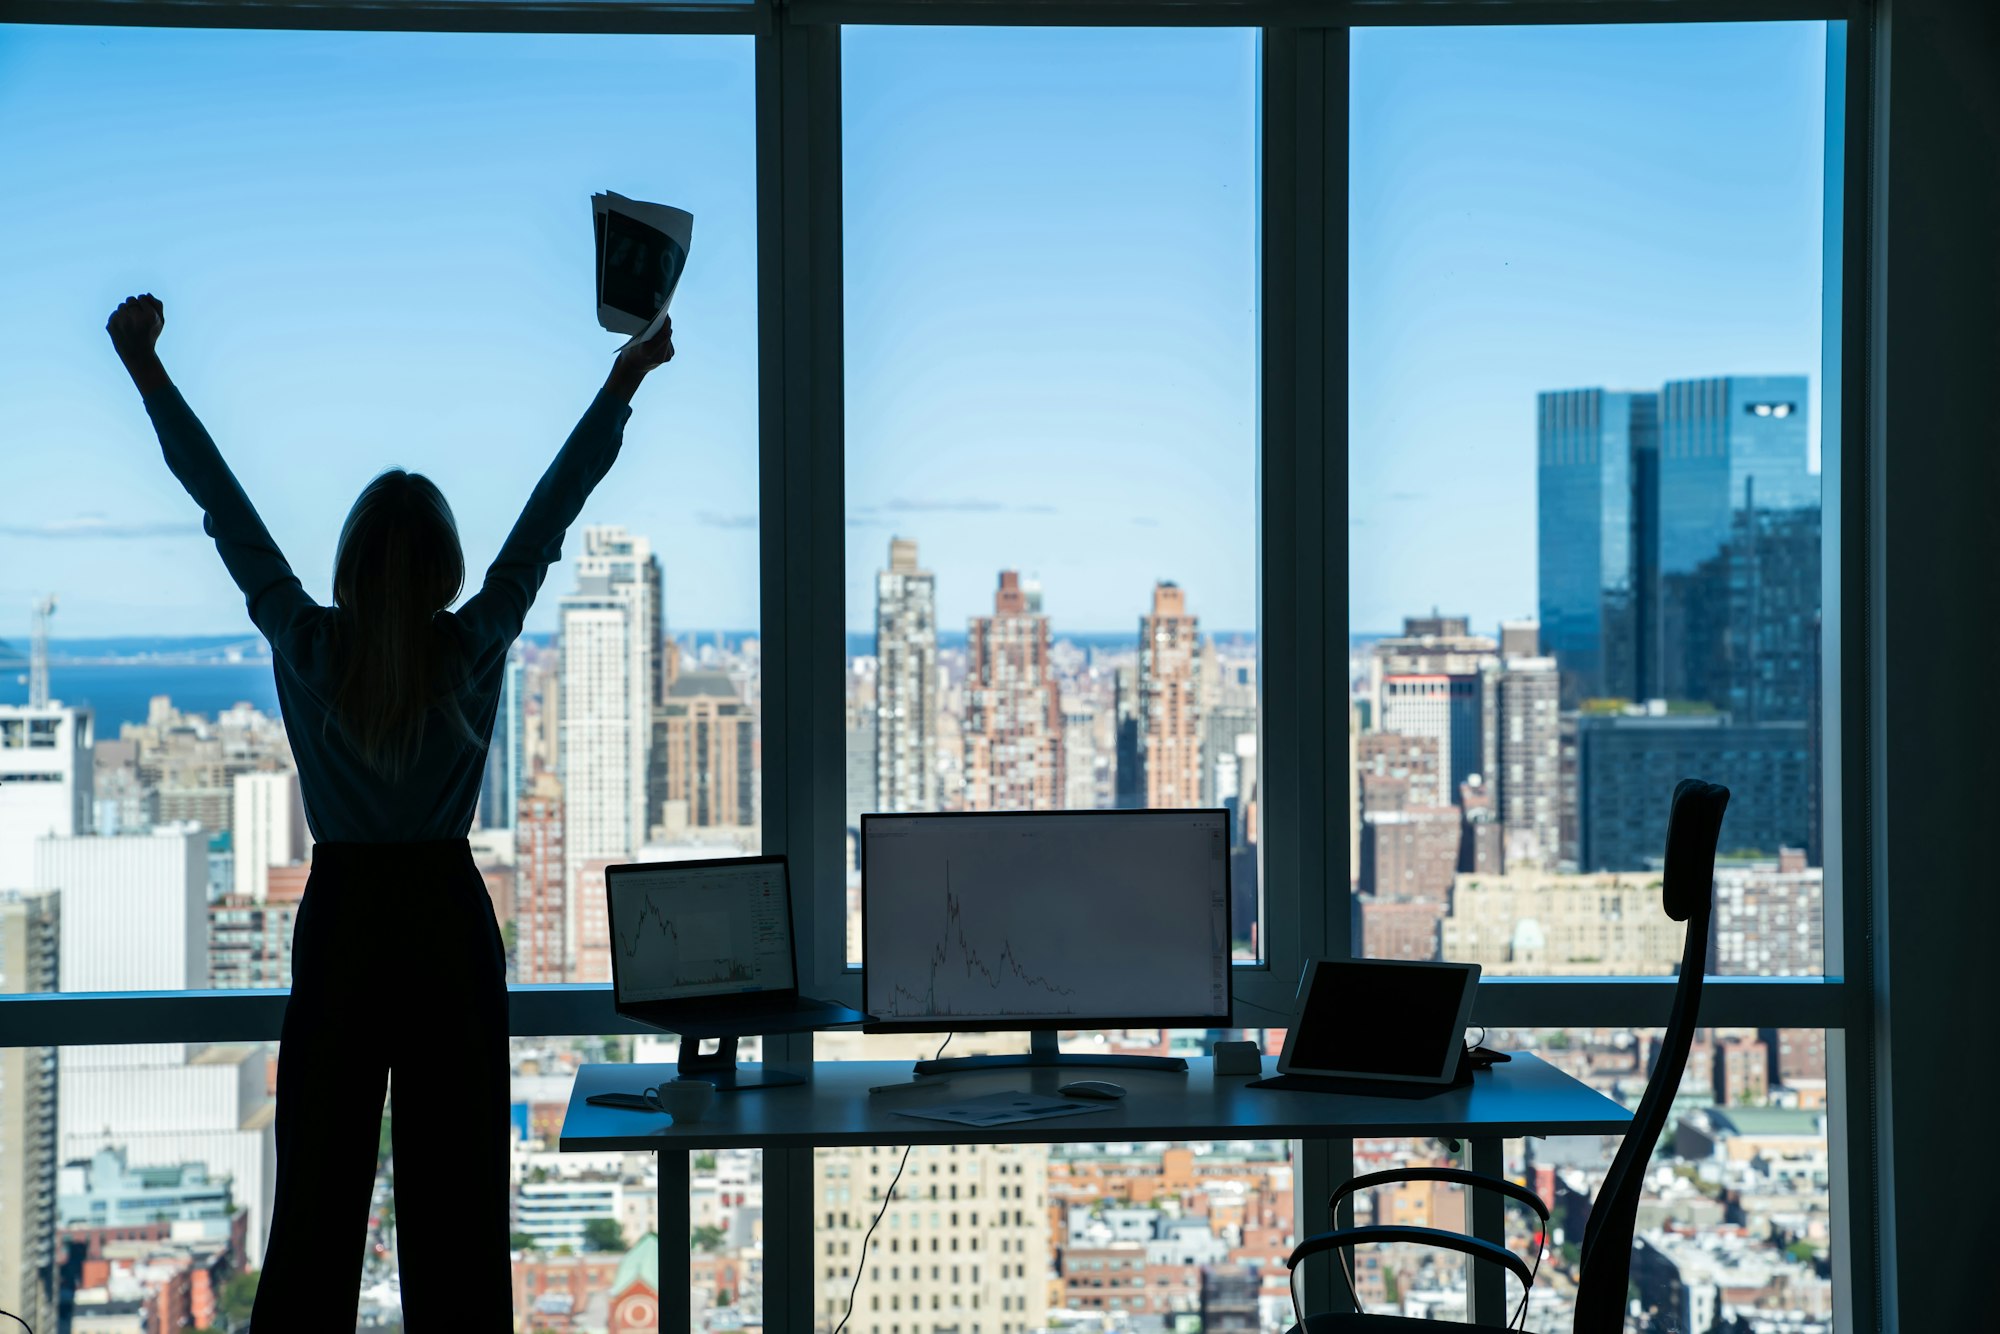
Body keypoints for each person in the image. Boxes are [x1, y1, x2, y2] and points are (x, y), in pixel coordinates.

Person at [105, 292, 676, 1329]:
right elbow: (547, 519)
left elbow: (223, 509)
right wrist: (620, 384)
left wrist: (148, 371)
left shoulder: (307, 645)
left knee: (316, 1211)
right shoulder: (471, 645)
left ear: (351, 562)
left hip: (344, 924)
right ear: (445, 566)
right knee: (456, 1217)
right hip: (447, 926)